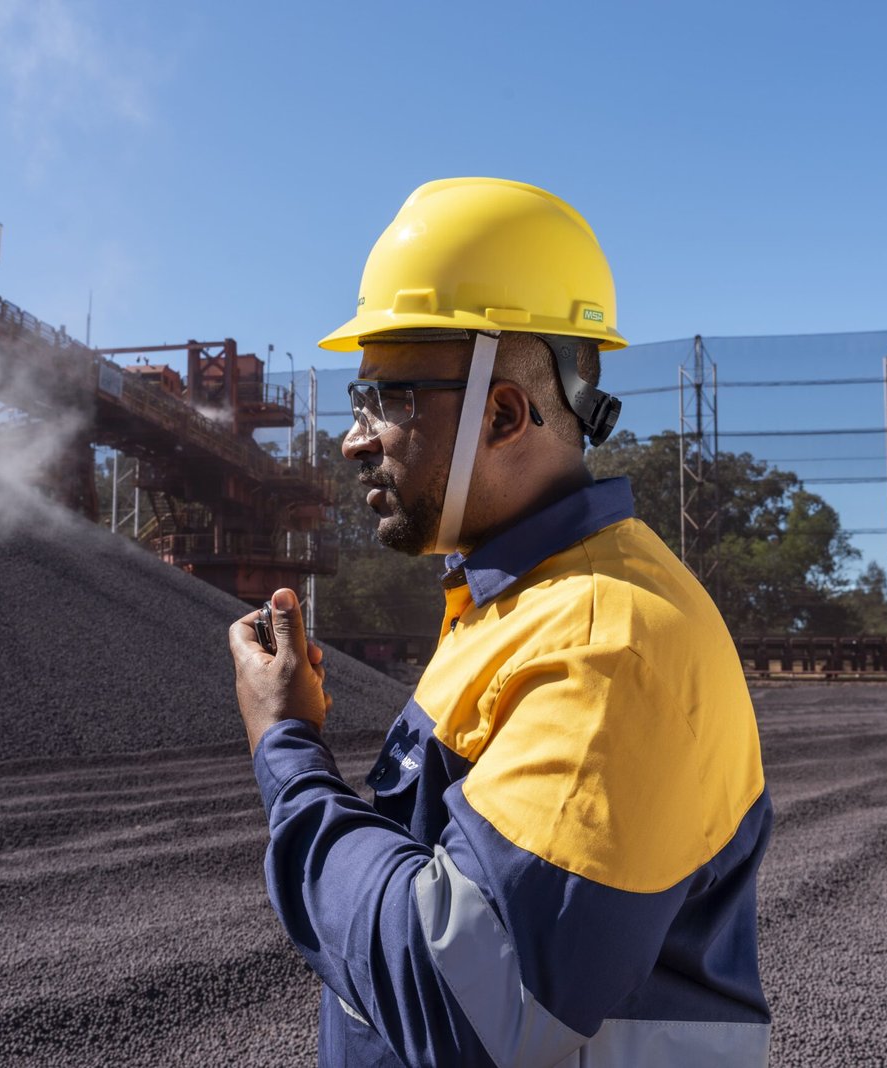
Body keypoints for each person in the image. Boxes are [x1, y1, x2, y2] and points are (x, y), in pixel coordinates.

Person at [229, 177, 771, 1067]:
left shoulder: (607, 642)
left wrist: (287, 750)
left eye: (388, 399)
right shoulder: (515, 605)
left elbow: (460, 1008)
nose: (353, 437)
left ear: (503, 412)